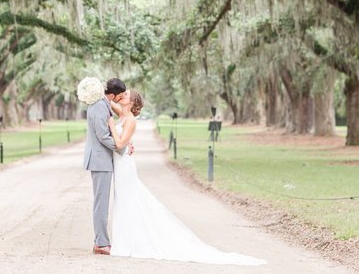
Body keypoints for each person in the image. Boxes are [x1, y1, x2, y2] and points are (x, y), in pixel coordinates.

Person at [107, 91, 265, 266]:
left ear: (132, 102)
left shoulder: (130, 120)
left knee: (129, 200)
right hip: (121, 165)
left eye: (126, 94)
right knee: (123, 201)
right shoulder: (123, 114)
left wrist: (111, 125)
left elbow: (120, 144)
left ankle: (130, 242)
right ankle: (126, 239)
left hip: (125, 166)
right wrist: (98, 93)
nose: (122, 95)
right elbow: (107, 102)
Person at [83, 77, 129, 255]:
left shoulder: (104, 103)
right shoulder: (99, 106)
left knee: (102, 201)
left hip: (103, 159)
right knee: (101, 203)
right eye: (121, 95)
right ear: (113, 95)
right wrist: (121, 147)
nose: (122, 98)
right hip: (100, 160)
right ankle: (101, 243)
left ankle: (100, 240)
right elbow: (102, 136)